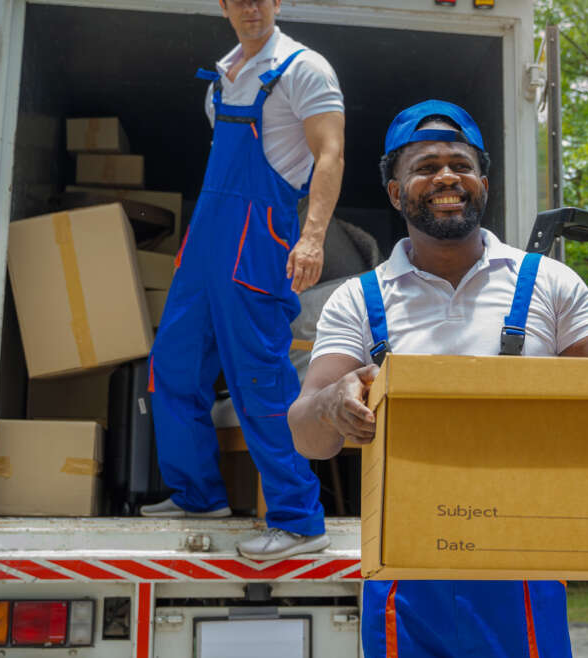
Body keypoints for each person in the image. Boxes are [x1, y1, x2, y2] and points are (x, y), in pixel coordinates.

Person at [288, 100, 588, 657]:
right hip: (404, 576)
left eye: (461, 165)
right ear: (396, 192)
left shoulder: (550, 283)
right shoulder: (358, 299)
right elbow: (306, 436)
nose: (446, 177)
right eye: (425, 167)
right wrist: (332, 403)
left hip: (524, 567)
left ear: (483, 185)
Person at [142, 0, 344, 561]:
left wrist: (312, 237)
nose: (251, 6)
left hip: (257, 241)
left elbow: (329, 155)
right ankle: (197, 494)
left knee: (259, 377)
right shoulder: (222, 77)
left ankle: (299, 521)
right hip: (207, 242)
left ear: (277, 2)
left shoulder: (304, 68)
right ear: (224, 6)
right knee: (173, 364)